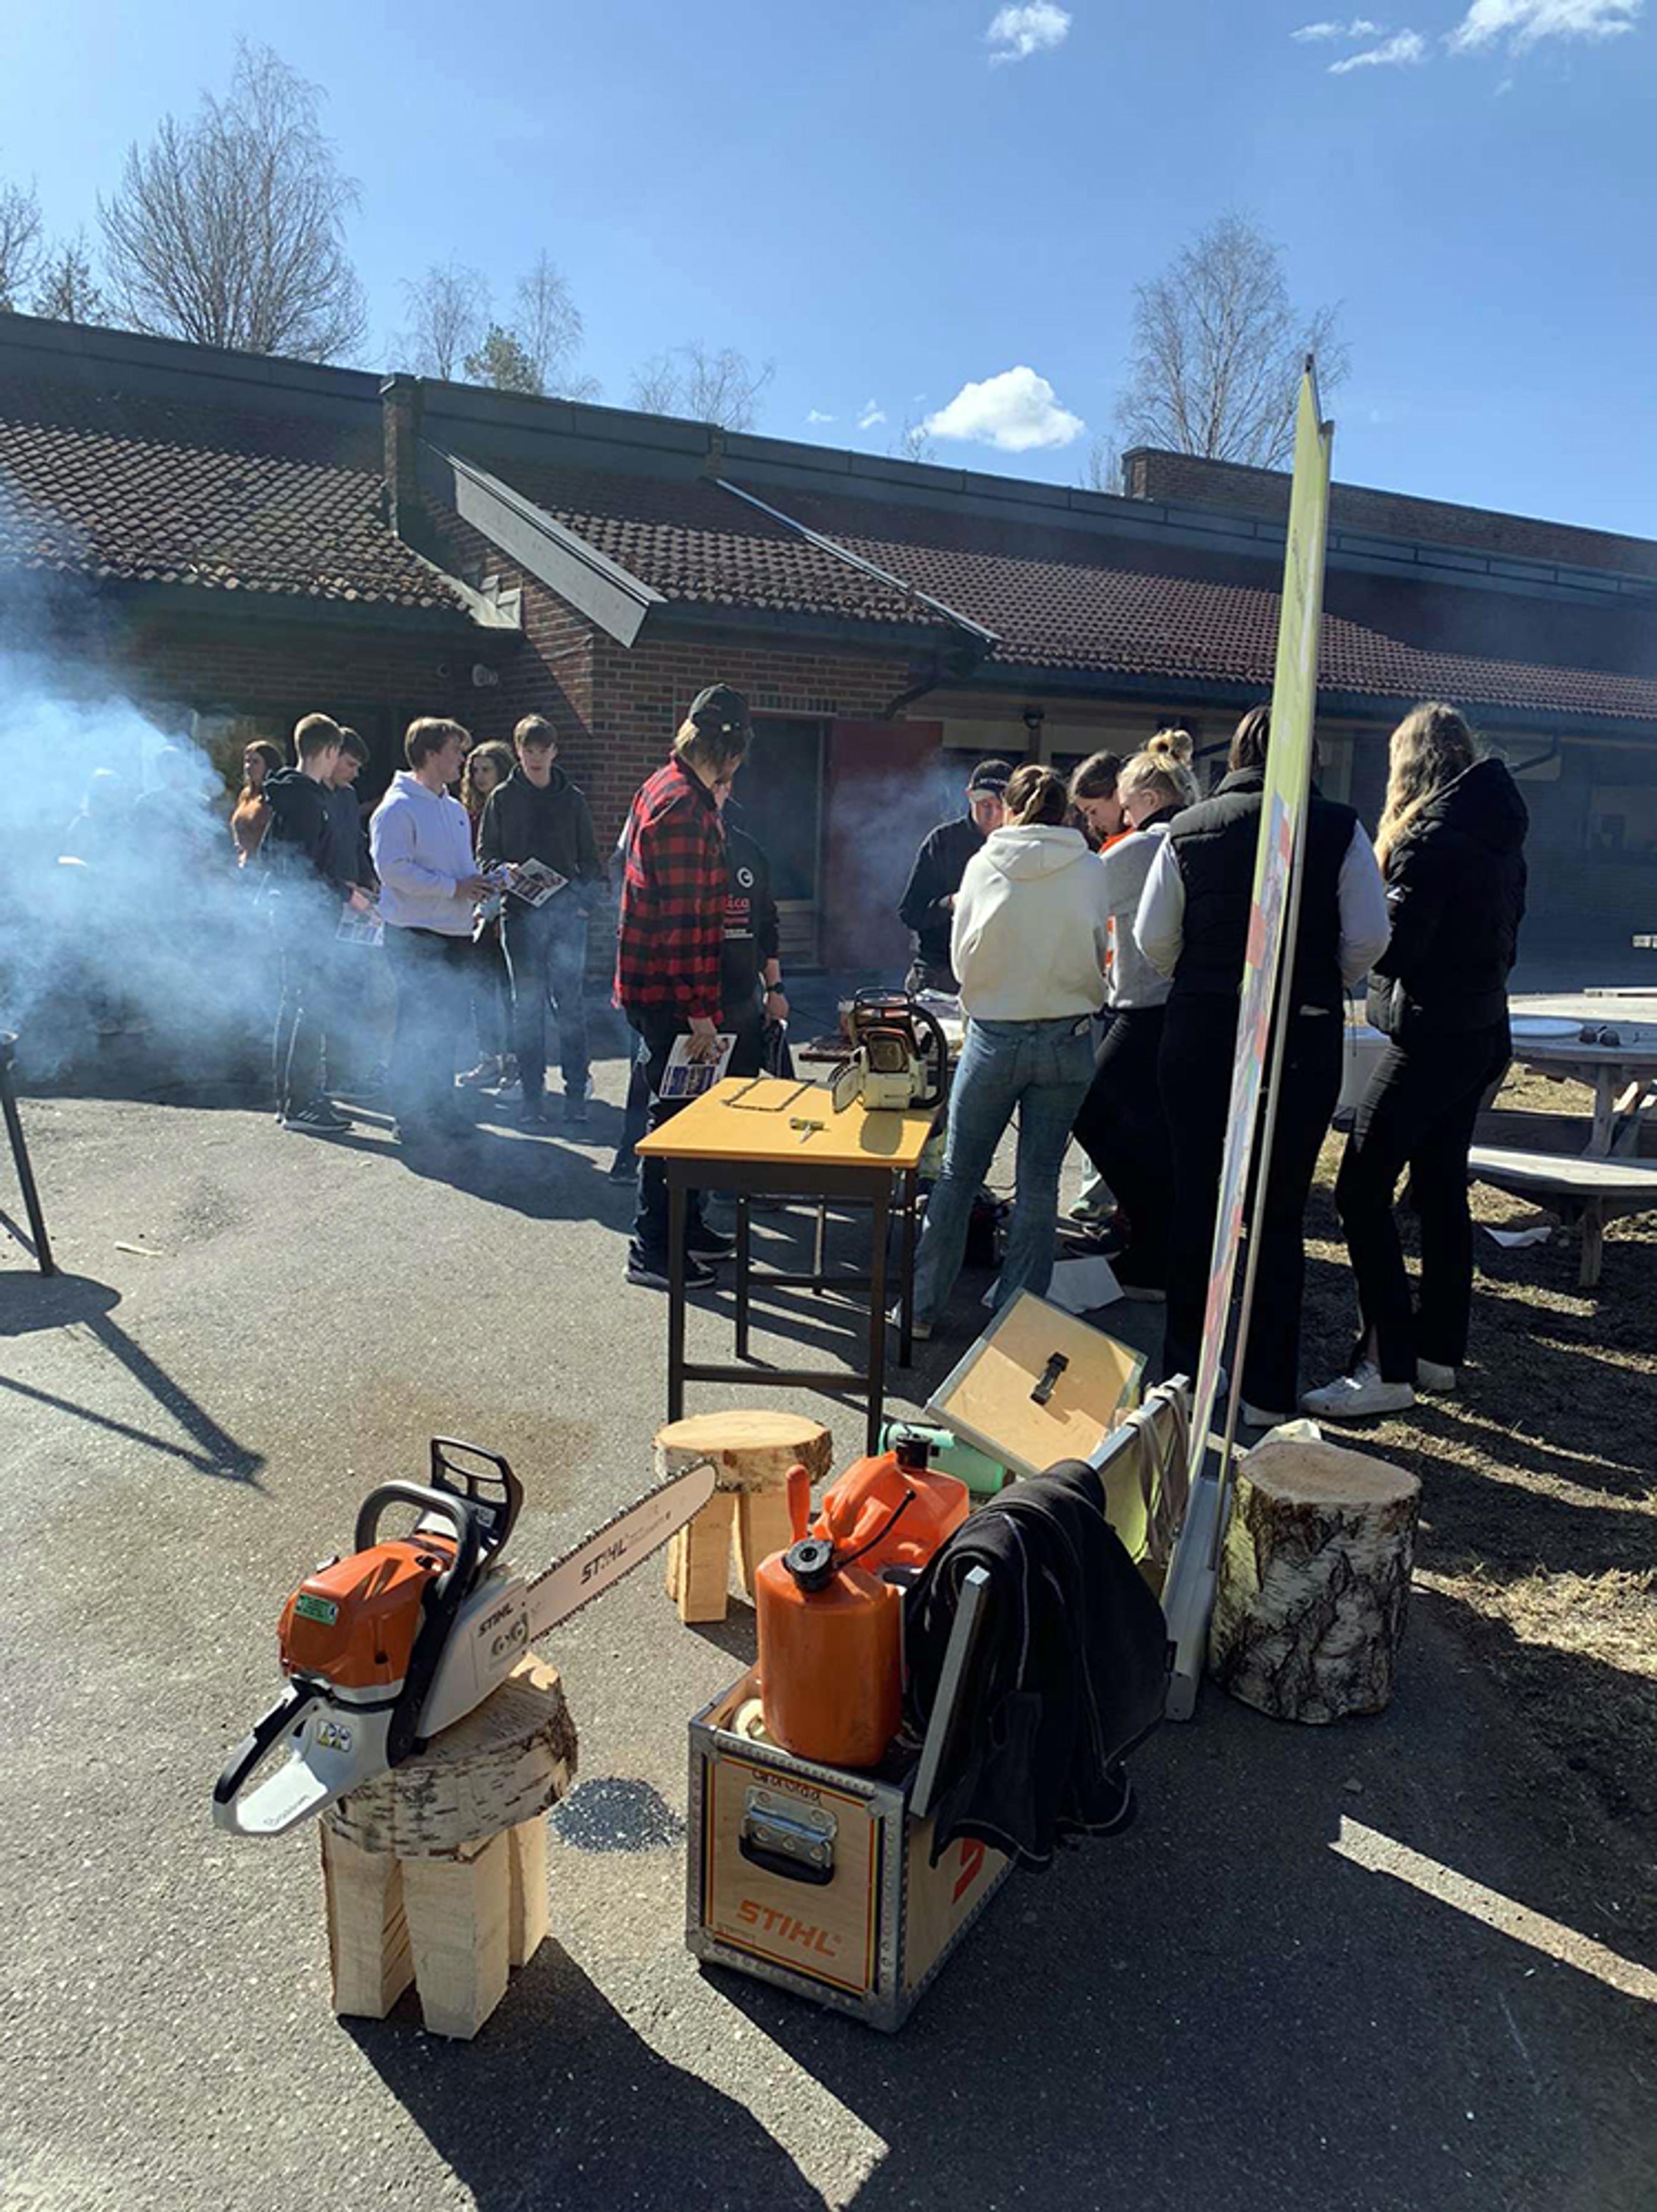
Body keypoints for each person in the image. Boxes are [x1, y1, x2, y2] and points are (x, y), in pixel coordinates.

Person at [1135, 704, 1391, 1426]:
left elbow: (1155, 937)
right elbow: (1369, 937)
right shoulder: (1340, 827)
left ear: (1235, 758)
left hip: (1202, 1025)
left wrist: (1201, 975)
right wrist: (1322, 979)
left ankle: (1185, 1379)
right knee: (1278, 1214)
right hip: (1301, 1031)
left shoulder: (1187, 828)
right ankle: (1267, 1391)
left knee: (1197, 1201)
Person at [1303, 704, 1528, 1420]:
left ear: (1410, 766)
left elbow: (1396, 948)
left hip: (1430, 1034)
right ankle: (1438, 1351)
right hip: (1482, 1028)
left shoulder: (1428, 837)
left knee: (1360, 1187)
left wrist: (1346, 928)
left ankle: (1386, 1362)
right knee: (1441, 1188)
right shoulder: (1500, 830)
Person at [907, 764, 1109, 1337]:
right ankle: (1017, 1322)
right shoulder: (1091, 867)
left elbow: (961, 958)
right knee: (1041, 1182)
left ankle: (921, 1309)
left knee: (958, 1174)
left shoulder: (984, 863)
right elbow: (1099, 944)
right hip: (1068, 1036)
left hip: (996, 1035)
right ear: (1065, 812)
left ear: (1011, 809)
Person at [616, 684, 752, 1290]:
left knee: (688, 1113)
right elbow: (681, 924)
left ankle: (686, 1227)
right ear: (728, 750)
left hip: (662, 987)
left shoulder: (669, 788)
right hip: (670, 993)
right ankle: (654, 1247)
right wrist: (700, 1012)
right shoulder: (682, 809)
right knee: (673, 1121)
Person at [1070, 732, 1200, 1299]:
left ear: (1147, 797)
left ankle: (1152, 1243)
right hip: (1189, 1009)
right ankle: (1157, 1241)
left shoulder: (1138, 850)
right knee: (1158, 1132)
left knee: (1089, 1108)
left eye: (1124, 804)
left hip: (1143, 1007)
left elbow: (1077, 906)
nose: (1119, 816)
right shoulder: (1198, 837)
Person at [370, 719, 493, 1145]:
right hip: (415, 935)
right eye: (456, 750)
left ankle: (441, 1107)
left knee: (447, 1027)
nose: (463, 759)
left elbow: (460, 870)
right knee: (417, 1027)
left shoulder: (454, 809)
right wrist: (454, 889)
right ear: (429, 754)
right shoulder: (397, 808)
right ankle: (409, 1116)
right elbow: (392, 871)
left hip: (455, 932)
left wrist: (484, 885)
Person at [478, 715, 604, 1127]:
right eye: (528, 750)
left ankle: (576, 1094)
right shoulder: (502, 799)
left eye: (542, 749)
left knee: (570, 1006)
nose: (535, 757)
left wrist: (583, 904)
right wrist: (505, 872)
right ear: (518, 751)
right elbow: (486, 856)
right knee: (527, 1008)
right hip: (520, 916)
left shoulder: (573, 800)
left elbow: (591, 862)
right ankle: (533, 1099)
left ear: (554, 751)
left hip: (567, 919)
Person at [262, 714, 368, 1132]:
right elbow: (302, 868)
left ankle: (291, 1099)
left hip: (296, 911)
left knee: (296, 1005)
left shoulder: (292, 794)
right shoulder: (305, 800)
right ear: (329, 751)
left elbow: (274, 857)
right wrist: (348, 893)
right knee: (310, 1007)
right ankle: (302, 1103)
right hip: (304, 916)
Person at [897, 759, 1011, 996]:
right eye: (985, 805)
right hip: (940, 973)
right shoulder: (943, 842)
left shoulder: (1019, 847)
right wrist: (950, 903)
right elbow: (911, 913)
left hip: (998, 977)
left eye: (1000, 806)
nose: (992, 814)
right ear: (969, 796)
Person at [458, 739, 517, 1092]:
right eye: (475, 770)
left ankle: (513, 1060)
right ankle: (488, 1058)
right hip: (473, 911)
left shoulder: (511, 809)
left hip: (505, 909)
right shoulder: (466, 813)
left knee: (508, 990)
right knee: (479, 986)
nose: (480, 777)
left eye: (487, 770)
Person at [716, 794, 788, 1078]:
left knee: (741, 1087)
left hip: (742, 997)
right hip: (682, 1004)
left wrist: (775, 990)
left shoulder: (749, 852)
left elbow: (767, 925)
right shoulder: (676, 848)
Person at [231, 742, 284, 868]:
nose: (249, 767)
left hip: (263, 866)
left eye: (255, 762)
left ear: (268, 765)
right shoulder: (246, 795)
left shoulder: (275, 797)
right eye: (247, 762)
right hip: (243, 864)